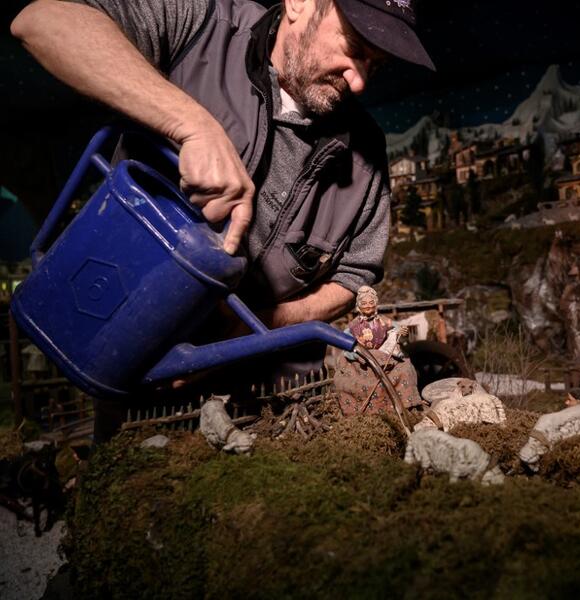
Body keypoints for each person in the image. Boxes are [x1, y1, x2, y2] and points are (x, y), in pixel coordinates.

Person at [11, 0, 435, 438]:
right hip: (140, 395)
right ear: (300, 4)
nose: (360, 80)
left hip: (280, 410)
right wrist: (191, 124)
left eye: (376, 64)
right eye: (353, 47)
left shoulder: (367, 153)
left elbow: (353, 278)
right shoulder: (201, 25)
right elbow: (41, 23)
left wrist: (259, 325)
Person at [334, 285, 422, 415]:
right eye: (364, 303)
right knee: (345, 380)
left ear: (376, 304)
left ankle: (405, 406)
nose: (368, 306)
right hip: (361, 361)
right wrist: (357, 355)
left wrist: (402, 333)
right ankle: (361, 412)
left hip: (385, 357)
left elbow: (398, 333)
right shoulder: (352, 326)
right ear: (359, 306)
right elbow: (344, 344)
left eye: (371, 302)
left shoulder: (385, 321)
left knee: (405, 370)